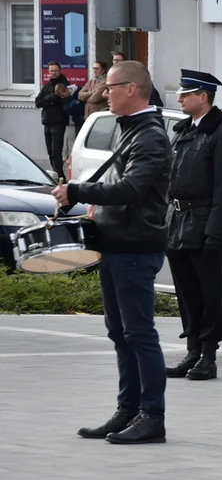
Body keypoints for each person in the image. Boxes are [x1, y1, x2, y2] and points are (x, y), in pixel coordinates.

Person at [54, 60, 173, 444]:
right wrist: (94, 207)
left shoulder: (150, 136)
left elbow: (131, 190)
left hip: (136, 246)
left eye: (110, 87)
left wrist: (77, 191)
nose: (105, 94)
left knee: (139, 333)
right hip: (118, 242)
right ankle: (127, 409)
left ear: (132, 90)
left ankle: (152, 417)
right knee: (120, 333)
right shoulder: (132, 129)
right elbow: (121, 188)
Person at [164, 70, 222, 382]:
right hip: (178, 222)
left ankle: (208, 356)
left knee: (209, 292)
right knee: (186, 291)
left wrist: (216, 232)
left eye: (186, 93)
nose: (180, 98)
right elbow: (171, 180)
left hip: (203, 223)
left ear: (204, 97)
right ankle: (192, 350)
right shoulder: (185, 132)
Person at [35, 62, 69, 179]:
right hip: (47, 121)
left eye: (55, 70)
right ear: (48, 72)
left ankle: (60, 177)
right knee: (50, 151)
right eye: (51, 71)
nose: (53, 73)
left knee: (56, 151)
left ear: (60, 71)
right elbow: (38, 102)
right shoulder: (47, 85)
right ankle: (55, 175)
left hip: (58, 121)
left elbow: (60, 98)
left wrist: (48, 99)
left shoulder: (64, 83)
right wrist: (50, 99)